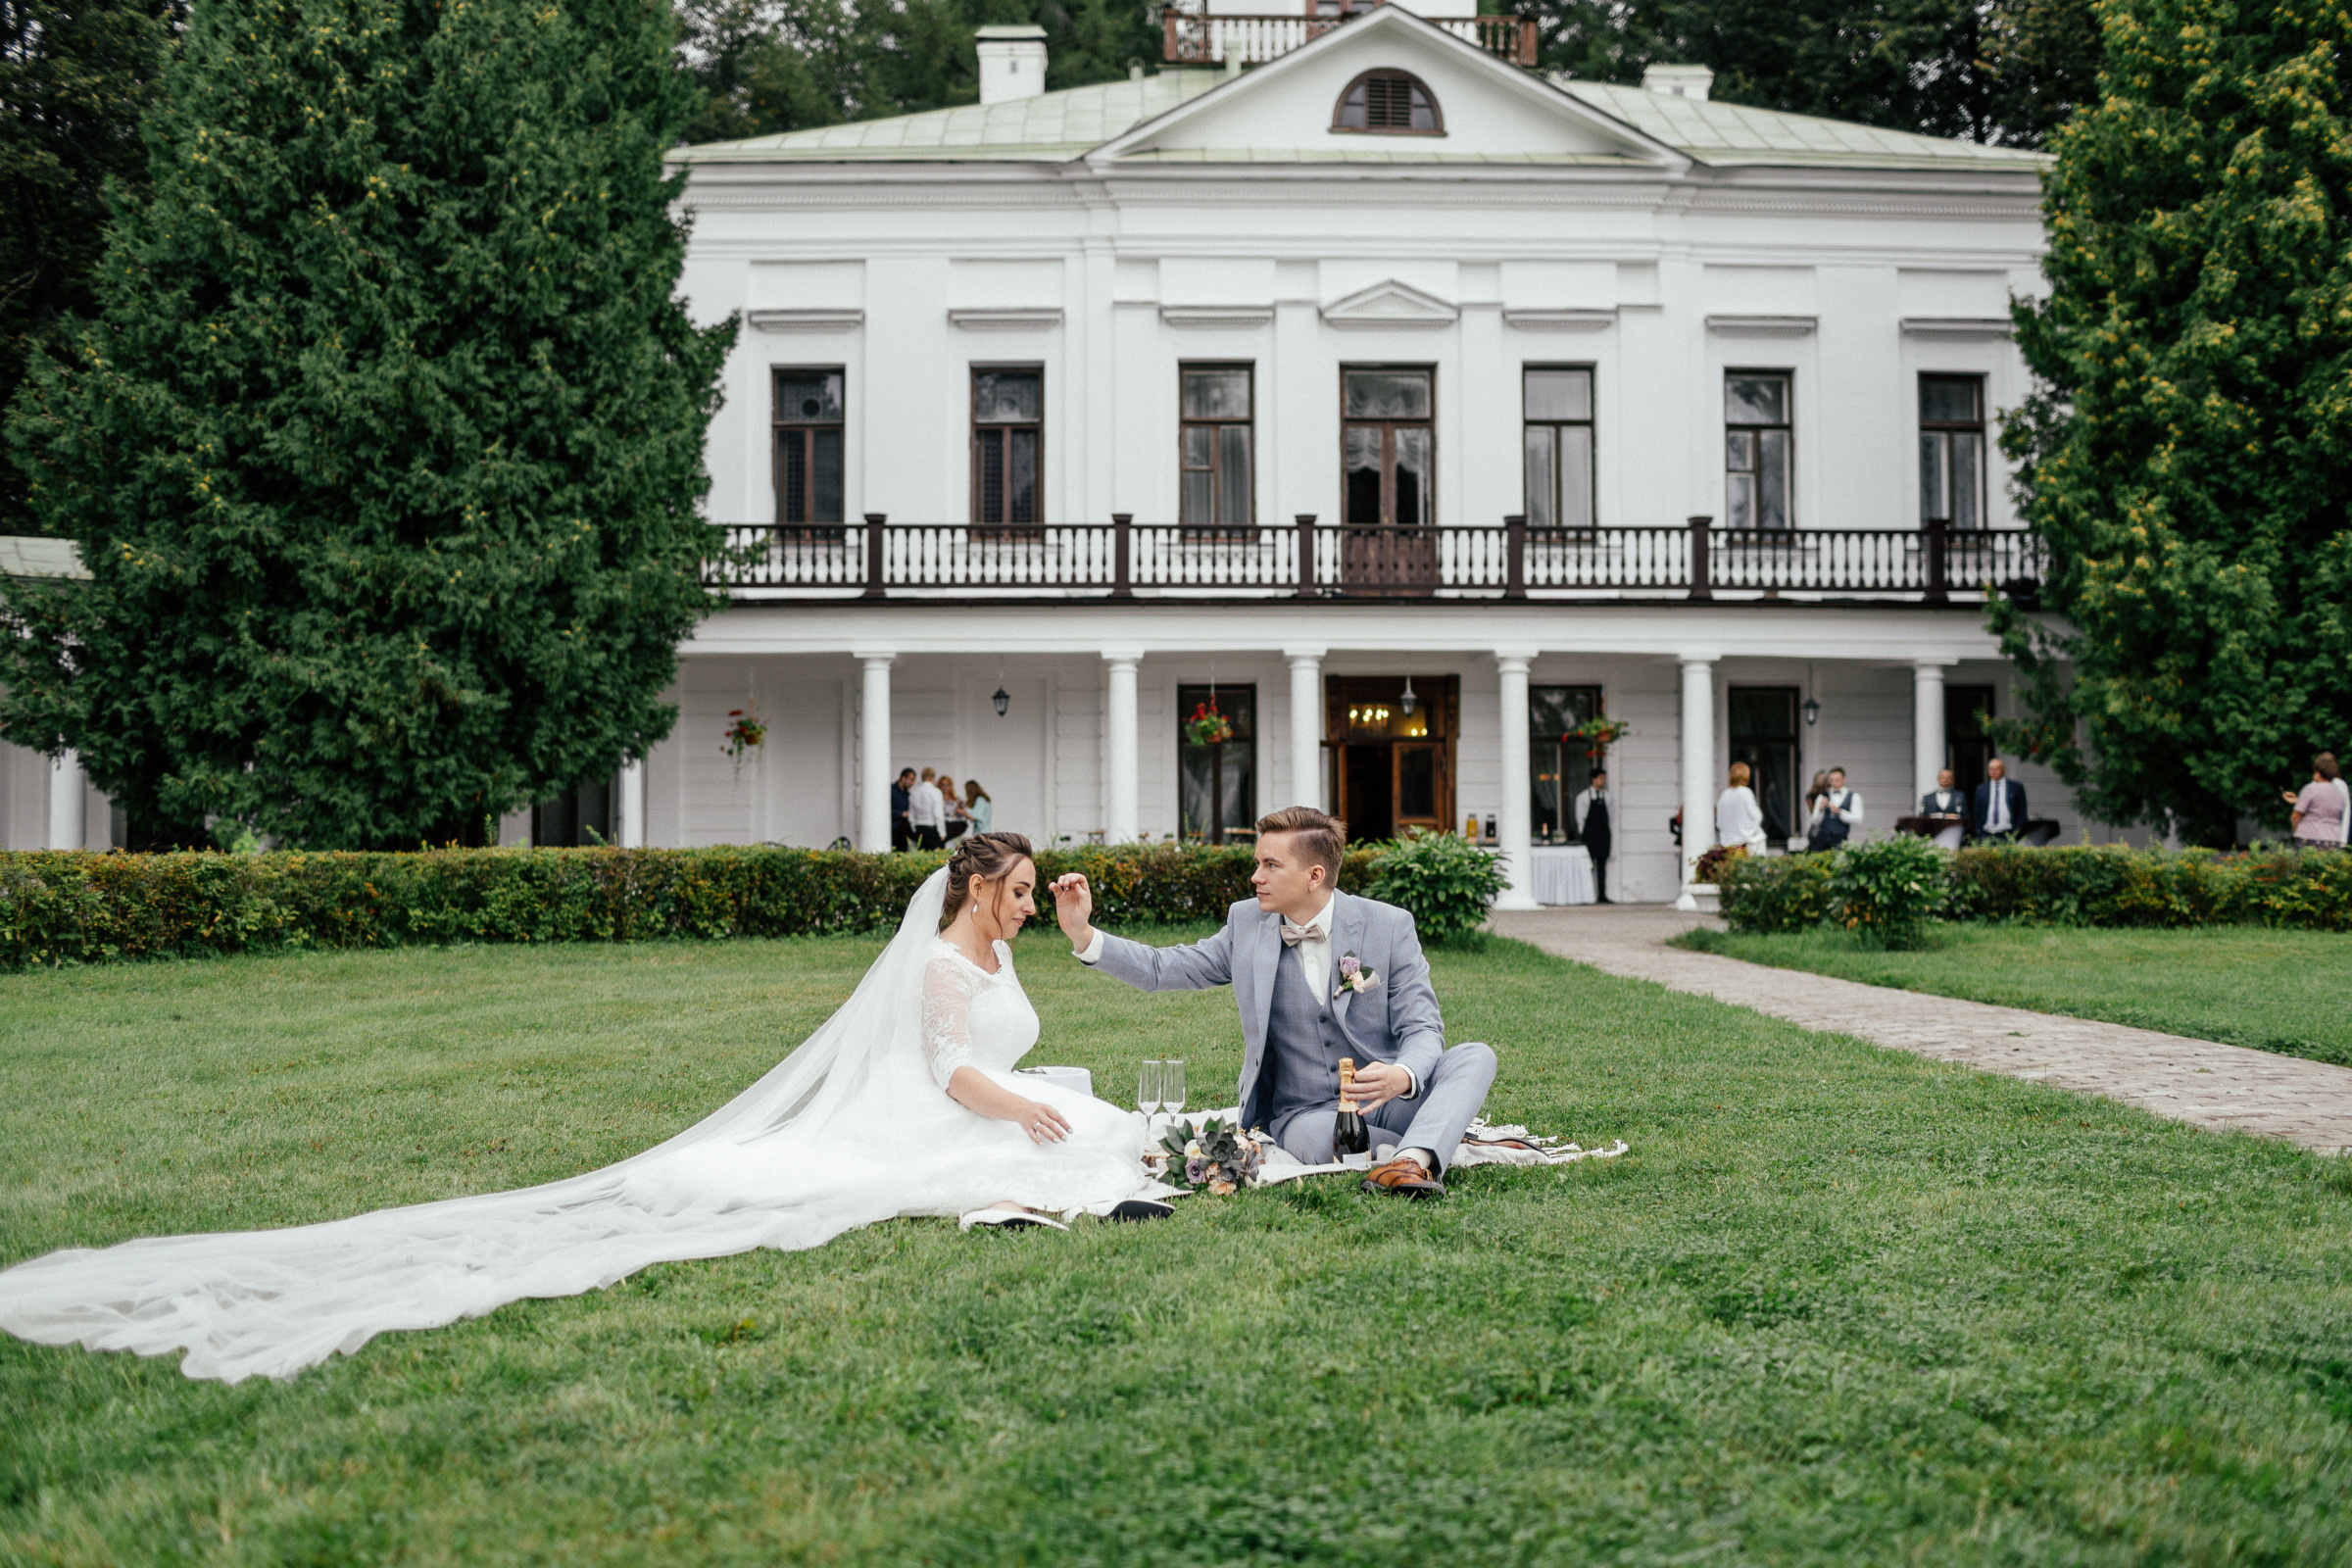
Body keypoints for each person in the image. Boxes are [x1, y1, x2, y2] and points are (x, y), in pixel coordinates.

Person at [0, 834, 1170, 1384]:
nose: (1026, 906)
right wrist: (1011, 1110)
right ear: (974, 888)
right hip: (944, 1109)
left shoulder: (1007, 950)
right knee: (986, 1151)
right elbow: (947, 1069)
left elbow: (1019, 1023)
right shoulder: (937, 967)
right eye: (1018, 891)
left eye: (1030, 895)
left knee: (1104, 1131)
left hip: (992, 1097)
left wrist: (1069, 941)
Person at [1053, 805, 1496, 1200]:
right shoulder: (1245, 924)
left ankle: (1411, 1154)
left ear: (1314, 875)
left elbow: (1422, 1028)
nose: (1255, 877)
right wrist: (1084, 935)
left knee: (1475, 1056)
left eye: (1270, 865)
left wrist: (1402, 1074)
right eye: (1257, 864)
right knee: (1325, 1143)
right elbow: (1162, 968)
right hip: (1305, 1113)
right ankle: (1430, 1144)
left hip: (1389, 1101)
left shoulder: (1389, 925)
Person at [2285, 754, 2345, 848]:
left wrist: (2295, 830)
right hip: (2332, 840)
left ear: (2318, 773)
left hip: (2308, 838)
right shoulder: (2338, 793)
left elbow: (2296, 816)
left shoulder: (2310, 789)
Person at [1572, 766, 1613, 904]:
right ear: (1593, 779)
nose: (1603, 781)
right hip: (1590, 835)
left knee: (1602, 866)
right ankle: (1588, 895)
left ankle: (1602, 894)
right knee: (1589, 866)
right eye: (1601, 778)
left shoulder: (1607, 796)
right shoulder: (1583, 797)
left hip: (1603, 835)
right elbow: (1580, 817)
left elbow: (1611, 816)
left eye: (1604, 778)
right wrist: (1584, 834)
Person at [1806, 766, 1863, 851]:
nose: (1834, 783)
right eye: (1832, 780)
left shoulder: (1854, 796)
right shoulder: (1822, 796)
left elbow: (1858, 819)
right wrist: (1820, 810)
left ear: (1844, 779)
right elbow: (1815, 821)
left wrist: (1840, 812)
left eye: (1837, 780)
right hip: (1821, 842)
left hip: (1840, 841)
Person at [1716, 762, 1767, 854]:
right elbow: (1755, 816)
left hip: (1728, 844)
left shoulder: (1725, 794)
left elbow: (1720, 821)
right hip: (1746, 844)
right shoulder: (1745, 793)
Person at [1973, 758, 2027, 842]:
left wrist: (2017, 832)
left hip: (2008, 833)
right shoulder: (1981, 789)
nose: (1994, 772)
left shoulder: (2015, 787)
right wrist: (1978, 830)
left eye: (1997, 769)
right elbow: (1977, 812)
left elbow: (2022, 812)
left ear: (2004, 770)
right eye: (1991, 769)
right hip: (1986, 833)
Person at [910, 767, 946, 851]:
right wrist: (942, 833)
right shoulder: (936, 792)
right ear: (933, 777)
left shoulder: (914, 792)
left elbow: (911, 815)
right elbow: (938, 814)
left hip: (919, 829)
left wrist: (914, 829)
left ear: (922, 777)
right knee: (935, 859)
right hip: (932, 830)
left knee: (921, 858)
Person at [890, 767, 916, 853]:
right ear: (903, 778)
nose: (913, 783)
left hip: (904, 831)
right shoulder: (891, 790)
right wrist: (901, 814)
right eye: (911, 780)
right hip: (893, 830)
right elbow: (884, 811)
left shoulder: (907, 794)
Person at [939, 775, 969, 844]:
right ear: (939, 786)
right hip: (940, 829)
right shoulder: (936, 800)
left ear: (950, 786)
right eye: (943, 785)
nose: (945, 787)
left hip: (953, 830)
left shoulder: (957, 800)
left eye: (947, 785)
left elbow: (964, 816)